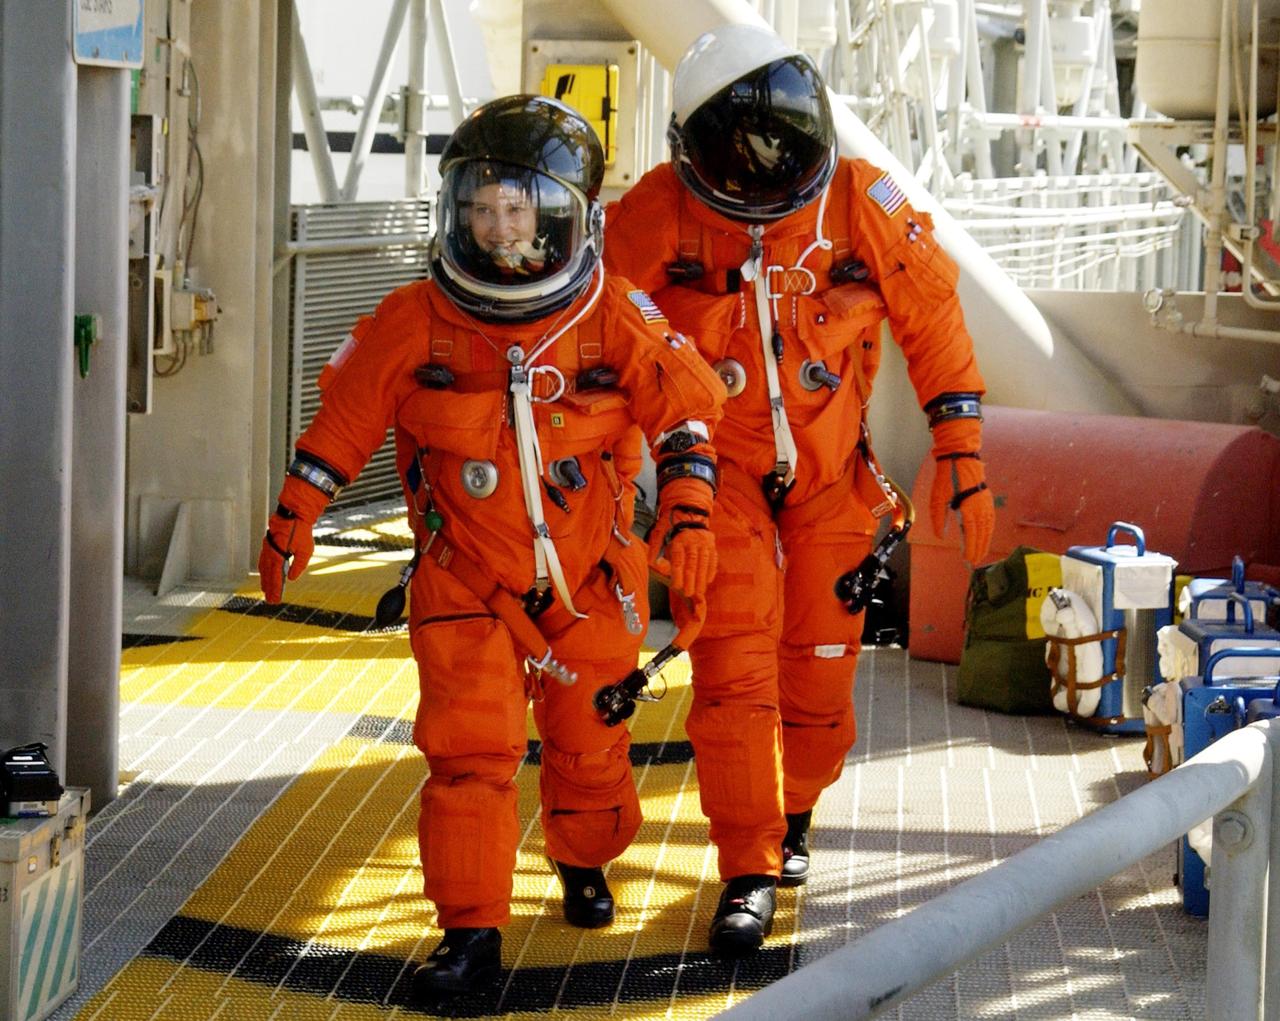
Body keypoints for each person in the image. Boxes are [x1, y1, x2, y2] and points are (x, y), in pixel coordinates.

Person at [258, 95, 725, 999]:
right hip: (462, 576)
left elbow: (686, 416)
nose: (495, 228)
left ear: (564, 215)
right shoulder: (415, 318)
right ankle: (469, 931)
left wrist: (693, 511)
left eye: (515, 208)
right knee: (469, 753)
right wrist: (293, 515)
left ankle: (583, 858)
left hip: (587, 576)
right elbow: (342, 426)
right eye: (478, 207)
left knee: (590, 746)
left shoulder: (612, 314)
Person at [604, 23, 995, 957]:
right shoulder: (655, 217)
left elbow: (935, 320)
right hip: (718, 475)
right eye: (744, 144)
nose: (769, 159)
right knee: (733, 669)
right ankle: (746, 866)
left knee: (819, 678)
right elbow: (600, 344)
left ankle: (795, 812)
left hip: (831, 481)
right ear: (699, 151)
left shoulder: (864, 202)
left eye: (782, 133)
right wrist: (620, 491)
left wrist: (963, 454)